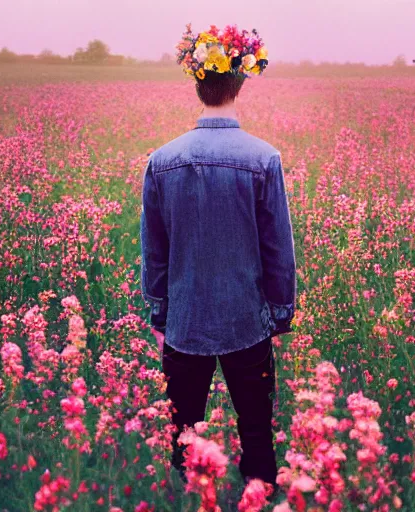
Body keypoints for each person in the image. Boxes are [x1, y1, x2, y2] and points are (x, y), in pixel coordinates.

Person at [140, 24, 296, 495]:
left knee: (183, 431)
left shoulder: (161, 160)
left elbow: (154, 251)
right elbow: (277, 249)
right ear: (241, 82)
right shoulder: (263, 158)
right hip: (247, 321)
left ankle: (191, 501)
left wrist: (160, 310)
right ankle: (259, 501)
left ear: (197, 82)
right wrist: (281, 312)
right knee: (255, 429)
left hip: (185, 322)